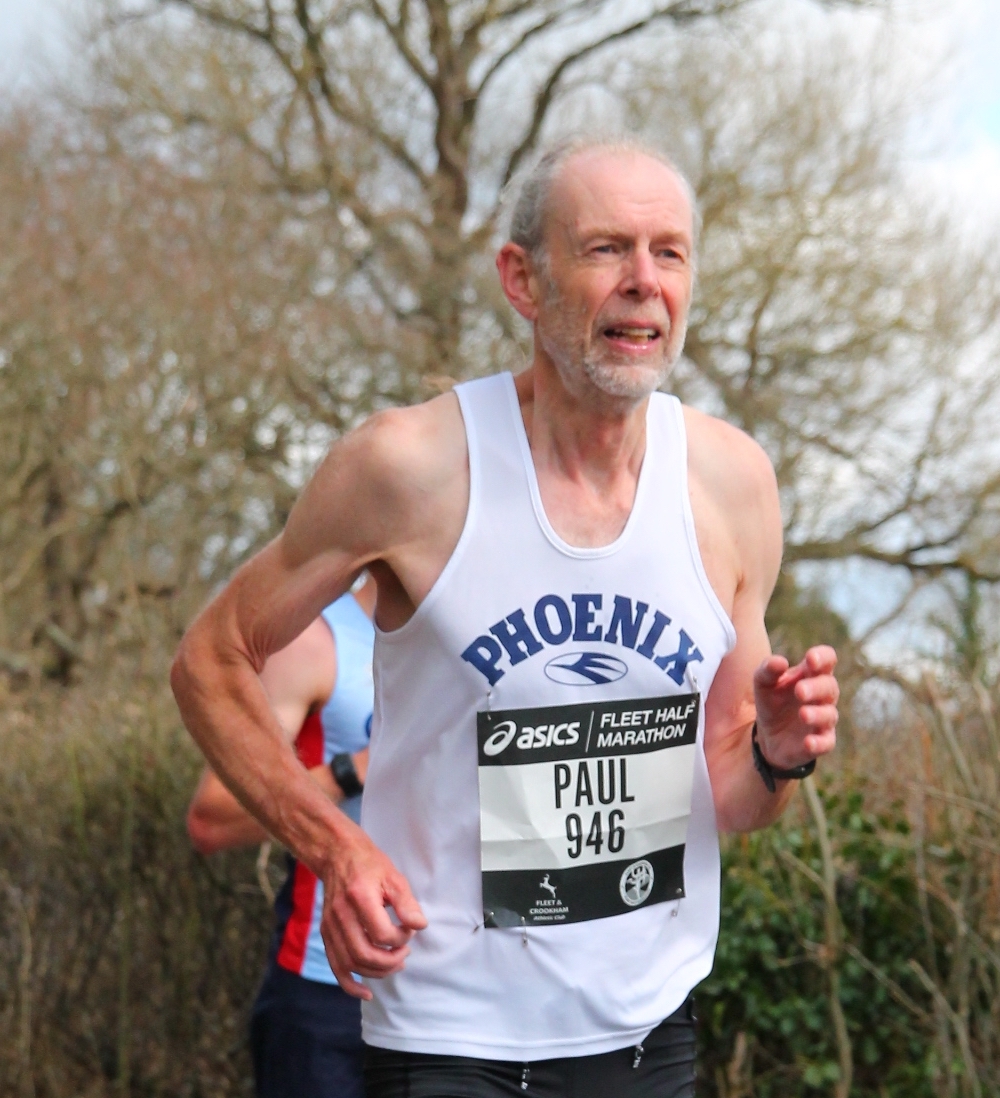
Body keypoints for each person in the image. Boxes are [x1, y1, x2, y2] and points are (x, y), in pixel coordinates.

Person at [171, 135, 840, 1098]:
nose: (644, 281)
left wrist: (774, 753)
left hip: (650, 1031)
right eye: (606, 248)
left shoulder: (733, 482)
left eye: (670, 252)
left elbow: (735, 800)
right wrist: (334, 845)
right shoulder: (411, 469)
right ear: (522, 279)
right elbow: (211, 661)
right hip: (452, 1037)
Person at [186, 577, 375, 1098]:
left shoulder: (481, 642)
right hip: (329, 992)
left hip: (461, 990)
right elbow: (213, 817)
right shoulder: (316, 641)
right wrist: (354, 769)